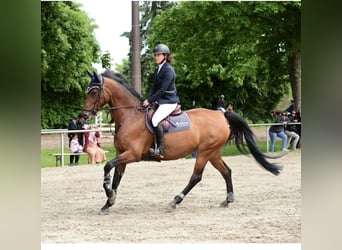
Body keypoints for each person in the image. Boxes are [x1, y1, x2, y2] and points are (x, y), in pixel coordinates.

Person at [142, 43, 180, 158]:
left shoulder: (168, 70)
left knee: (155, 120)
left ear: (165, 56)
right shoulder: (159, 68)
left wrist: (150, 100)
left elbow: (162, 89)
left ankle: (161, 149)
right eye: (155, 55)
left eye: (158, 55)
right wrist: (147, 99)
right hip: (162, 100)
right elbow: (154, 87)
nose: (156, 57)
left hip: (169, 101)